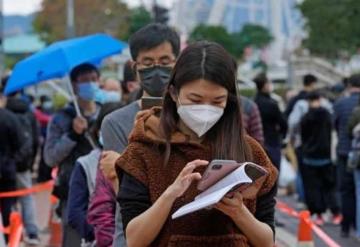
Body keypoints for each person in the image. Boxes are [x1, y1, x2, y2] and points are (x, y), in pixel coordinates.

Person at [117, 41, 278, 247]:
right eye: (195, 99)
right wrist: (170, 195)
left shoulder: (251, 152)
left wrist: (239, 212)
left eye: (218, 101)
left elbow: (267, 241)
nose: (205, 109)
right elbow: (134, 240)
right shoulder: (142, 152)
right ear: (174, 93)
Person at [93, 23, 180, 247]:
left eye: (165, 62)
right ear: (135, 67)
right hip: (135, 237)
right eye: (148, 63)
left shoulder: (192, 115)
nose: (157, 69)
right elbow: (126, 192)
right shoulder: (116, 123)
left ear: (177, 62)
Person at [44, 63, 102, 246]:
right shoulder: (61, 118)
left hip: (104, 188)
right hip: (72, 191)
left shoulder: (107, 113)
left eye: (94, 79)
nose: (91, 84)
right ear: (74, 85)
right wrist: (72, 135)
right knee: (74, 238)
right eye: (85, 81)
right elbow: (50, 157)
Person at [67, 102, 123, 246]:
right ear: (98, 131)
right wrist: (99, 234)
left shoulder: (136, 160)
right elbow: (75, 213)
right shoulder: (86, 164)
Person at [4, 79, 40, 245]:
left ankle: (8, 234)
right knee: (26, 197)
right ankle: (31, 232)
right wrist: (30, 162)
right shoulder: (28, 111)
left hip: (6, 166)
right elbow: (34, 139)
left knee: (7, 201)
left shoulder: (5, 112)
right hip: (23, 164)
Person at [300, 92, 341, 226]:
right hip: (326, 156)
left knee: (314, 187)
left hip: (309, 157)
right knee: (329, 186)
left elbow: (302, 136)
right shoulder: (327, 115)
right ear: (320, 99)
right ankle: (335, 212)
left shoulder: (305, 117)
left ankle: (318, 215)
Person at [334, 73, 360, 237]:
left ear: (349, 85)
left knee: (346, 190)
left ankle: (346, 226)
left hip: (344, 151)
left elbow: (335, 125)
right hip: (356, 151)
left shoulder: (340, 103)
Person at [0, 81, 23, 243]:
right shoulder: (10, 118)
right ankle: (7, 236)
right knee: (8, 204)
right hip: (7, 169)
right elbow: (19, 143)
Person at [254, 73, 287, 169]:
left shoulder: (253, 103)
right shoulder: (272, 104)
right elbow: (283, 124)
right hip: (272, 142)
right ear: (265, 85)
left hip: (257, 144)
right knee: (274, 172)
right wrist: (282, 137)